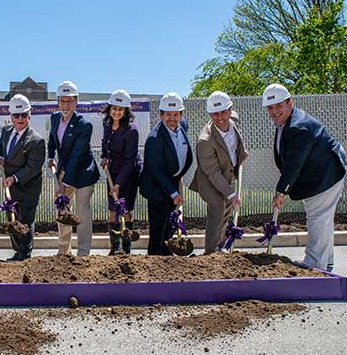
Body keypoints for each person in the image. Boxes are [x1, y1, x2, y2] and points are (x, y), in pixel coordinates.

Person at [262, 83, 346, 271]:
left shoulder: (299, 127)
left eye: (278, 106)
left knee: (318, 218)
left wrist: (281, 191)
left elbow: (293, 164)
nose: (274, 111)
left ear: (290, 103)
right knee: (320, 218)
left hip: (325, 174)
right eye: (270, 107)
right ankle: (326, 261)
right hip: (316, 174)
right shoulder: (286, 122)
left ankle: (316, 265)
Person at [190, 91, 248, 254]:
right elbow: (213, 172)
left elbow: (234, 145)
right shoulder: (205, 141)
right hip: (209, 180)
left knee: (227, 210)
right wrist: (231, 194)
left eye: (223, 112)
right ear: (210, 114)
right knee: (218, 207)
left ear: (230, 110)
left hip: (227, 174)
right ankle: (210, 252)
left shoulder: (233, 121)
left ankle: (221, 246)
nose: (220, 117)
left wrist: (241, 154)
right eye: (215, 114)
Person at [47, 81, 100, 256]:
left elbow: (77, 156)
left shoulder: (84, 125)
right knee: (62, 209)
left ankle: (83, 253)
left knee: (81, 211)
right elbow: (52, 139)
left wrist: (64, 183)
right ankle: (64, 251)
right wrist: (50, 156)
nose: (66, 105)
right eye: (63, 101)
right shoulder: (55, 118)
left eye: (70, 101)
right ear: (58, 102)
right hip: (65, 169)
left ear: (76, 102)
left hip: (83, 172)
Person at [139, 92, 193, 255]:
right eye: (168, 114)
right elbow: (158, 172)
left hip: (172, 182)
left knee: (170, 226)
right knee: (158, 228)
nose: (172, 118)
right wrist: (174, 193)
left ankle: (167, 257)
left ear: (181, 115)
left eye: (176, 114)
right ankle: (155, 259)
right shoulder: (154, 139)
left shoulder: (182, 126)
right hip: (157, 188)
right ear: (160, 115)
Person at [0, 94, 45, 261]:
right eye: (16, 115)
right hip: (11, 186)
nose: (20, 119)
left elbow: (33, 167)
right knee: (12, 218)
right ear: (11, 117)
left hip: (28, 186)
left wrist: (14, 178)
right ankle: (17, 250)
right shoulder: (6, 131)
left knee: (25, 220)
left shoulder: (36, 140)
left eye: (24, 115)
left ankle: (24, 255)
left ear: (29, 115)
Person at [100, 89, 142, 254]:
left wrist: (118, 184)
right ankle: (115, 248)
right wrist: (104, 157)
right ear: (109, 109)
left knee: (125, 209)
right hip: (113, 171)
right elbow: (105, 145)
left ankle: (126, 248)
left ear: (126, 111)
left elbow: (129, 160)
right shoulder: (107, 125)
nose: (116, 112)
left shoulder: (131, 131)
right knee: (112, 210)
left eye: (120, 109)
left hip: (129, 173)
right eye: (114, 108)